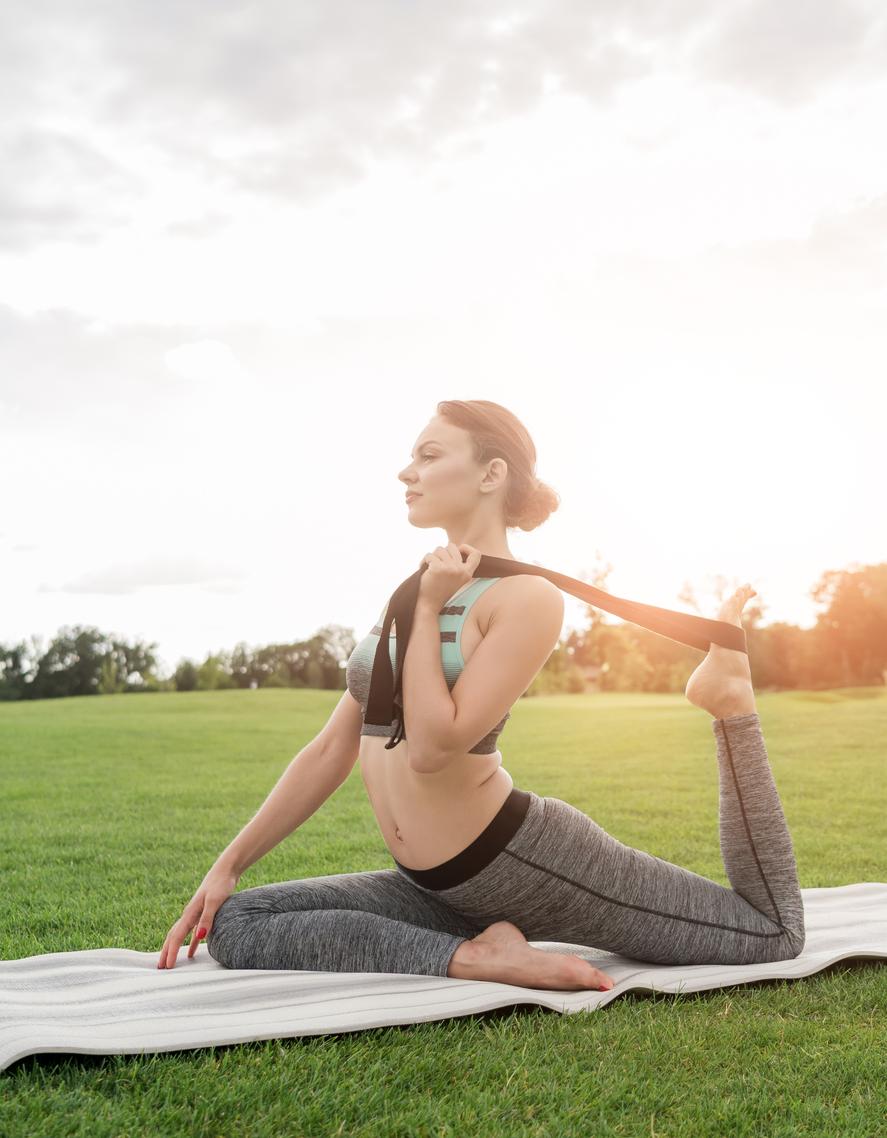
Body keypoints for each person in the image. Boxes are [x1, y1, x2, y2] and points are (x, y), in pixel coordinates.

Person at [157, 399, 803, 991]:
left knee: (772, 933)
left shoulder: (525, 598)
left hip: (526, 862)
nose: (405, 471)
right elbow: (332, 747)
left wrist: (434, 606)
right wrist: (230, 864)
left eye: (429, 455)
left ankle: (730, 698)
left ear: (491, 475)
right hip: (435, 885)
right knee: (241, 920)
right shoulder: (411, 591)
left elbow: (433, 748)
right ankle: (480, 953)